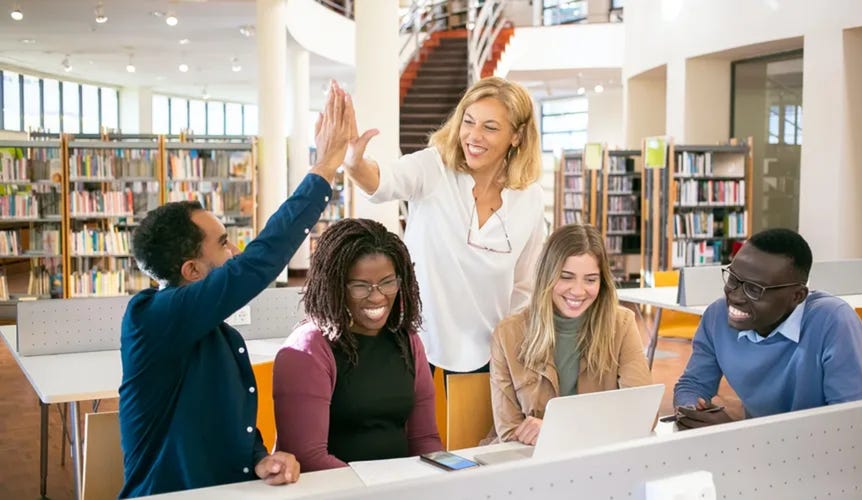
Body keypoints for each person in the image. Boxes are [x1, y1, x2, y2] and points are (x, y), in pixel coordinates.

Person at [117, 82, 351, 497]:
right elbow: (258, 263)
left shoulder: (218, 334)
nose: (235, 252)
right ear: (191, 270)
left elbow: (225, 424)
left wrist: (260, 458)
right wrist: (323, 170)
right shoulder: (151, 318)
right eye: (224, 243)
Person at [342, 76, 546, 374]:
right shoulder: (434, 168)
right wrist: (354, 164)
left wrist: (512, 349)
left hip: (489, 354)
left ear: (517, 136)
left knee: (473, 424)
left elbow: (525, 286)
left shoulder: (530, 198)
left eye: (490, 127)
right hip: (415, 345)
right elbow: (383, 181)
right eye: (469, 121)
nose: (474, 136)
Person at [273, 218, 443, 471]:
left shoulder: (408, 341)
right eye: (361, 286)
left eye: (387, 282)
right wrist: (379, 491)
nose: (377, 296)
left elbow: (424, 440)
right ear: (335, 287)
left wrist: (448, 478)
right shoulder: (307, 349)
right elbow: (308, 458)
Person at [673, 228, 862, 429]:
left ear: (797, 296)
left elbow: (851, 425)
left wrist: (735, 433)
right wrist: (692, 409)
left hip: (822, 453)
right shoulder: (717, 315)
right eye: (733, 279)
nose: (735, 296)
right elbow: (693, 384)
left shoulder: (834, 322)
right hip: (758, 452)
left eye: (754, 289)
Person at [489, 224, 653, 444]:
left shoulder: (622, 324)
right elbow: (509, 432)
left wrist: (558, 430)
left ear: (602, 282)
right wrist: (593, 427)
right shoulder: (507, 334)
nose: (578, 291)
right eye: (566, 277)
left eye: (590, 279)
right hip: (531, 462)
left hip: (599, 458)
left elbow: (643, 415)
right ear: (547, 276)